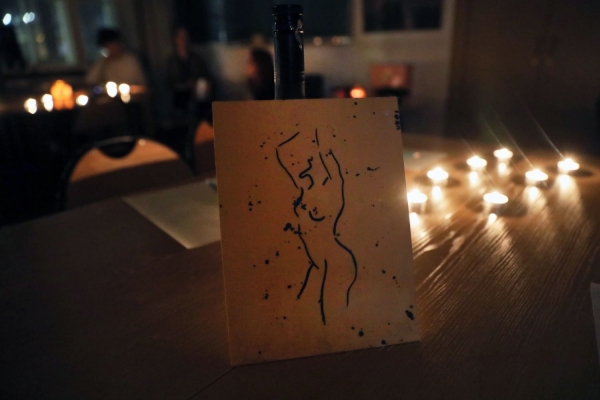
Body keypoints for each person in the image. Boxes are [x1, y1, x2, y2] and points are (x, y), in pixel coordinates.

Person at [166, 27, 213, 121]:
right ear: (175, 39)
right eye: (181, 37)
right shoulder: (172, 61)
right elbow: (170, 82)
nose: (183, 40)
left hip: (197, 92)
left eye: (185, 36)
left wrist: (196, 83)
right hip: (180, 94)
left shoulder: (197, 59)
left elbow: (205, 76)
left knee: (202, 97)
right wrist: (184, 85)